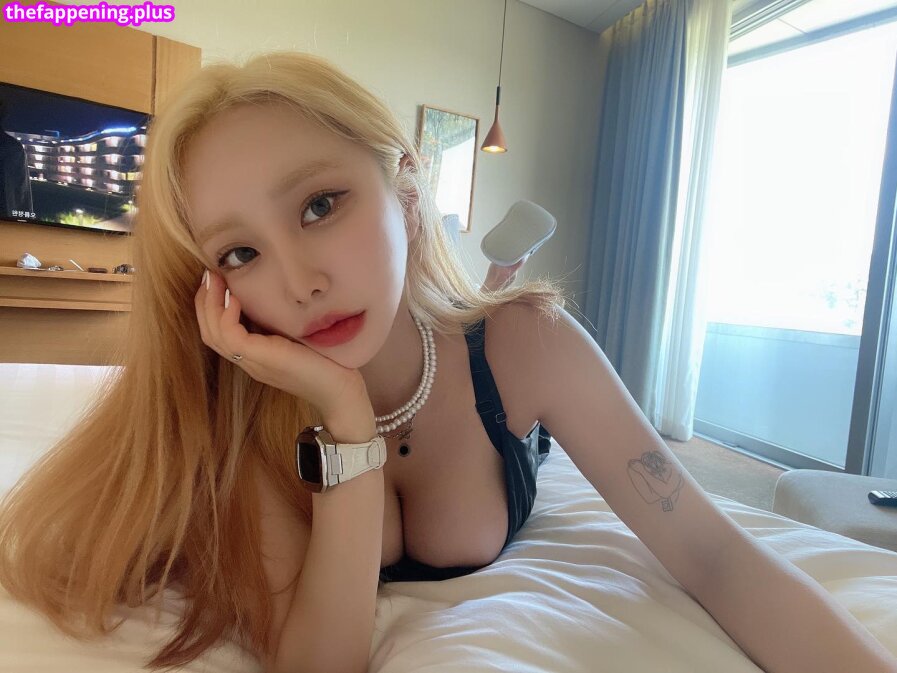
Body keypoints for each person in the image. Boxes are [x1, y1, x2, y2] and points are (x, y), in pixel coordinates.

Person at [0, 51, 894, 673]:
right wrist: (342, 416)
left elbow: (711, 552)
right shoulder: (241, 407)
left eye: (319, 205)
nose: (300, 281)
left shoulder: (523, 342)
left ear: (405, 190)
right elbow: (320, 663)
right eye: (240, 253)